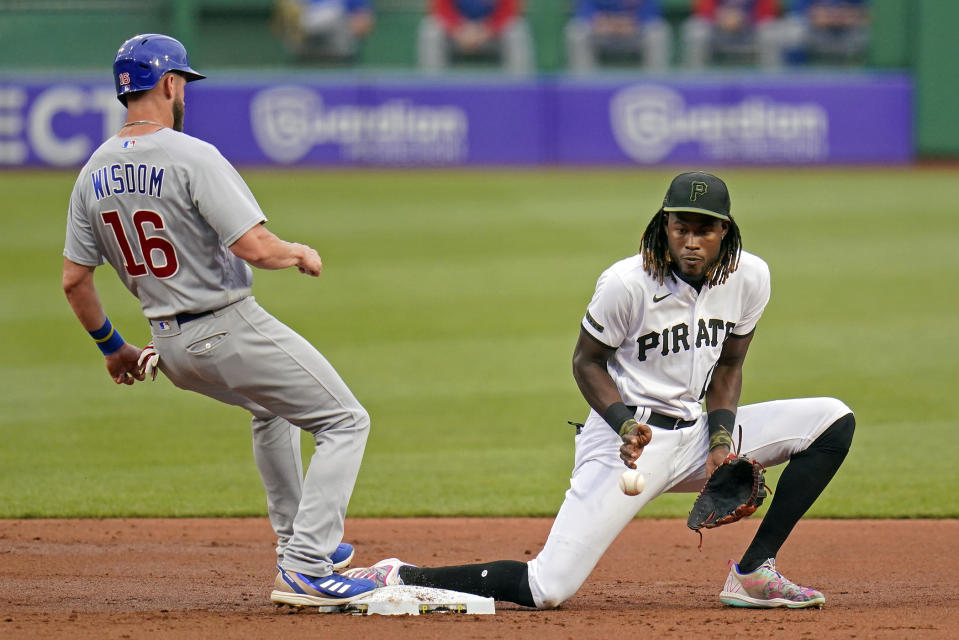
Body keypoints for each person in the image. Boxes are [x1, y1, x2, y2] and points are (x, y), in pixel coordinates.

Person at [344, 171, 855, 610]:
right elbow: (585, 362)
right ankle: (402, 574)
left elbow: (729, 367)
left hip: (697, 434)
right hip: (627, 446)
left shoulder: (750, 277)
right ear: (665, 227)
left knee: (832, 420)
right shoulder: (627, 282)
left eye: (705, 230)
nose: (691, 242)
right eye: (681, 229)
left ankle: (753, 573)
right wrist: (624, 425)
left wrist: (721, 444)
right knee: (549, 587)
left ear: (725, 231)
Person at [61, 33, 376, 607]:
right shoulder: (192, 156)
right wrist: (298, 252)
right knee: (346, 421)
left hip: (169, 347)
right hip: (224, 326)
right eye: (183, 84)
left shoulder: (91, 174)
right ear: (169, 84)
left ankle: (299, 542)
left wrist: (115, 348)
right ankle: (306, 566)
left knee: (269, 409)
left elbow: (74, 281)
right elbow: (255, 246)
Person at [417, 0, 535, 76]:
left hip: (493, 36)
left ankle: (518, 95)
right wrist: (458, 31)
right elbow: (438, 9)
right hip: (457, 35)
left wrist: (487, 30)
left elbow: (511, 9)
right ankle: (434, 96)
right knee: (431, 29)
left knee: (516, 29)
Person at [565, 0, 672, 73]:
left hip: (635, 32)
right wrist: (604, 24)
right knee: (577, 31)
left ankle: (656, 81)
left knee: (657, 31)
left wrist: (630, 24)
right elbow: (584, 12)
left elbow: (652, 14)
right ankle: (584, 85)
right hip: (602, 31)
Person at [680, 0, 785, 69]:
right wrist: (720, 17)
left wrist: (744, 18)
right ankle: (697, 81)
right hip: (717, 28)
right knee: (696, 30)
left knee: (770, 33)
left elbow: (768, 11)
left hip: (751, 29)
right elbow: (702, 9)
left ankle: (770, 81)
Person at [273, 0, 375, 62]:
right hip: (305, 44)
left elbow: (364, 23)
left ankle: (304, 25)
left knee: (334, 11)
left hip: (339, 41)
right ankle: (304, 26)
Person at [779, 0, 870, 65]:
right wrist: (821, 17)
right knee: (794, 31)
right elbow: (799, 12)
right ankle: (795, 77)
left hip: (850, 31)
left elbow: (865, 12)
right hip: (815, 31)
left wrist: (842, 17)